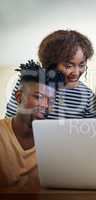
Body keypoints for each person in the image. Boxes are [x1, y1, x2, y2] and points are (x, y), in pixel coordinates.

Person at [0, 60, 64, 192]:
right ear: (18, 97)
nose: (46, 105)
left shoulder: (54, 141)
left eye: (50, 101)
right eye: (38, 97)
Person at [5, 30, 96, 119]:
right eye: (68, 66)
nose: (76, 73)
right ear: (51, 64)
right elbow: (9, 120)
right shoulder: (30, 84)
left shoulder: (87, 96)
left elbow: (90, 130)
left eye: (82, 65)